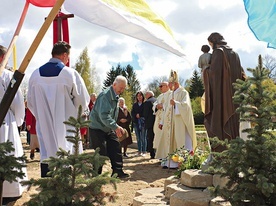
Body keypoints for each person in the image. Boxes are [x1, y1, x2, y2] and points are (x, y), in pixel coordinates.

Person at [27, 41, 90, 177]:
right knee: (66, 155)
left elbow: (31, 103)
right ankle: (66, 195)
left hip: (45, 125)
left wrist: (42, 115)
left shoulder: (35, 75)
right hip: (66, 127)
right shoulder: (70, 74)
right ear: (64, 55)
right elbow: (82, 102)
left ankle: (48, 191)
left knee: (46, 153)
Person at [203, 32, 246, 152]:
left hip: (221, 97)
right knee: (233, 125)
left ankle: (222, 154)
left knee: (218, 124)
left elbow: (214, 74)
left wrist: (205, 70)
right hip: (234, 98)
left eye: (210, 43)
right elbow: (242, 75)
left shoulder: (218, 52)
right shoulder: (235, 54)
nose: (211, 46)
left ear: (214, 42)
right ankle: (234, 154)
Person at [0, 45, 28, 200]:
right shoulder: (7, 76)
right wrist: (17, 122)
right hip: (5, 121)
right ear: (2, 58)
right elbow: (17, 103)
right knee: (8, 154)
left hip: (5, 119)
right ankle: (8, 193)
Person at [89, 75, 129, 178]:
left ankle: (117, 172)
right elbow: (104, 116)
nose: (122, 90)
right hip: (97, 127)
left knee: (115, 146)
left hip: (108, 127)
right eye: (121, 88)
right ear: (114, 84)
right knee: (100, 151)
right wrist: (116, 127)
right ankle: (96, 175)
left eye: (124, 88)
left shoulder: (115, 95)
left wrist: (114, 127)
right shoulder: (105, 96)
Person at [156, 70, 197, 168]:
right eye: (169, 83)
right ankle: (168, 162)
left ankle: (180, 162)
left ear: (176, 83)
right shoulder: (170, 94)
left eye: (170, 83)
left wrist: (176, 104)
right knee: (168, 142)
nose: (169, 86)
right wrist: (162, 122)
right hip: (169, 123)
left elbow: (186, 106)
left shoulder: (183, 93)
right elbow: (166, 109)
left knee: (179, 141)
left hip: (179, 124)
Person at [152, 82, 171, 154]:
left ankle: (167, 155)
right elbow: (154, 105)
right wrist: (156, 106)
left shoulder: (171, 94)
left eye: (161, 86)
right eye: (159, 86)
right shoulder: (160, 96)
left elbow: (170, 106)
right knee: (159, 137)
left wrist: (163, 106)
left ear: (167, 86)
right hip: (158, 120)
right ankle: (161, 155)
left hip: (166, 120)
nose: (159, 88)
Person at [131, 91, 146, 156]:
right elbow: (132, 113)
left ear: (142, 96)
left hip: (143, 123)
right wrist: (135, 116)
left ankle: (144, 151)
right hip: (136, 122)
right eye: (138, 96)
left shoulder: (145, 104)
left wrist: (140, 115)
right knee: (138, 138)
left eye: (140, 96)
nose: (139, 97)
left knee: (143, 137)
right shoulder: (135, 105)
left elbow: (146, 113)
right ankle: (139, 151)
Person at [143, 91, 157, 159]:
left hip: (150, 123)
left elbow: (145, 114)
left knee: (150, 138)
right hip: (157, 122)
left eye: (146, 94)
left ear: (149, 95)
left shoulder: (147, 102)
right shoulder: (157, 100)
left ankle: (152, 154)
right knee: (157, 138)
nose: (145, 95)